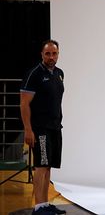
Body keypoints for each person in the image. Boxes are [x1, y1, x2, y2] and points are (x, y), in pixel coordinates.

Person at [20, 40, 66, 215]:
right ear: (42, 54)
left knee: (48, 167)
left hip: (55, 127)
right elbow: (24, 104)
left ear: (58, 54)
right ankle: (38, 207)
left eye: (54, 53)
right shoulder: (34, 74)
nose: (51, 57)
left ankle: (45, 204)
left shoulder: (59, 73)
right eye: (47, 53)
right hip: (40, 129)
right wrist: (28, 129)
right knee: (41, 166)